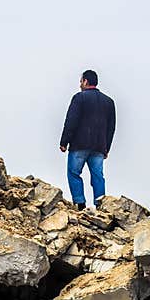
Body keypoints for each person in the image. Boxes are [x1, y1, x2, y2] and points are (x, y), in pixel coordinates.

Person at [59, 69, 116, 210]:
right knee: (98, 176)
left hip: (79, 144)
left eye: (81, 81)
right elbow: (111, 127)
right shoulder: (109, 102)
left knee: (73, 172)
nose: (80, 85)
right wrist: (106, 148)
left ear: (85, 81)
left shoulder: (79, 98)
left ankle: (80, 203)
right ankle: (101, 205)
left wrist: (64, 142)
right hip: (99, 147)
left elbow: (71, 121)